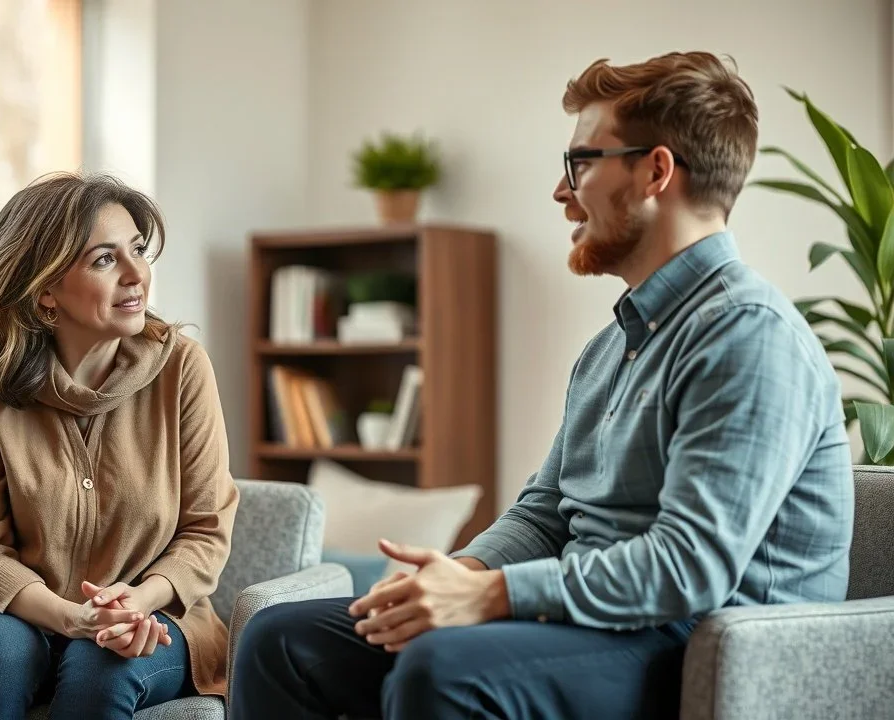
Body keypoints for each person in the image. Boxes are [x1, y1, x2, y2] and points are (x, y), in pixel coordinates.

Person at [231, 51, 853, 720]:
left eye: (580, 163)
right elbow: (546, 510)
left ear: (656, 170)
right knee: (282, 641)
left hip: (703, 644)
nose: (562, 192)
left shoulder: (748, 336)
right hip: (596, 624)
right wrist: (458, 576)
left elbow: (690, 567)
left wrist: (493, 596)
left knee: (441, 670)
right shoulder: (613, 345)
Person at [0, 172, 240, 720]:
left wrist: (139, 602)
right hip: (7, 614)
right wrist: (65, 615)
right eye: (104, 259)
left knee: (101, 666)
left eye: (138, 250)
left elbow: (206, 528)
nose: (135, 275)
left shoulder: (183, 369)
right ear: (45, 290)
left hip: (155, 617)